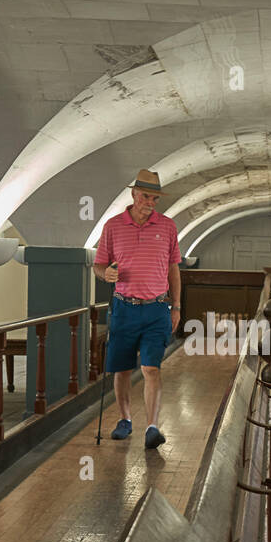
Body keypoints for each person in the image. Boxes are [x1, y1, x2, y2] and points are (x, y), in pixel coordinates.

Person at [93, 169, 181, 449]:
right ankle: (125, 420)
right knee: (121, 369)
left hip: (157, 309)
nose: (150, 202)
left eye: (155, 198)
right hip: (124, 308)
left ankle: (152, 427)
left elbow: (174, 270)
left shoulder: (167, 226)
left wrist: (176, 306)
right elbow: (98, 265)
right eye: (146, 196)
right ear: (133, 194)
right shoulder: (112, 226)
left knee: (151, 369)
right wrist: (104, 273)